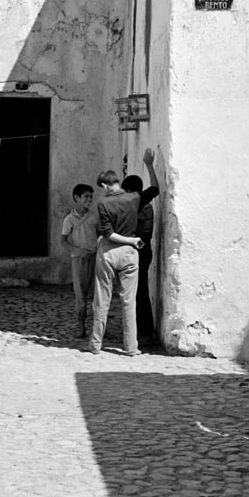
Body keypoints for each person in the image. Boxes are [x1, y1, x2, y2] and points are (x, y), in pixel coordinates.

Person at [88, 169, 144, 356]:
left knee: (102, 299)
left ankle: (96, 345)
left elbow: (107, 233)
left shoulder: (103, 203)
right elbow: (155, 189)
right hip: (129, 254)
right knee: (129, 301)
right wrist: (149, 166)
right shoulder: (135, 198)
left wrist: (126, 240)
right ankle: (131, 347)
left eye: (101, 188)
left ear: (105, 185)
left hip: (108, 252)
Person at [122, 148, 160, 348]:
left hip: (137, 251)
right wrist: (149, 165)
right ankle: (147, 333)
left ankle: (142, 334)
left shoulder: (135, 204)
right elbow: (155, 188)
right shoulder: (144, 202)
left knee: (137, 294)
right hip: (146, 250)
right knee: (141, 292)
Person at [61, 184, 99, 338]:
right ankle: (81, 326)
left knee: (98, 293)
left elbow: (102, 234)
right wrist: (77, 251)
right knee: (80, 295)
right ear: (77, 198)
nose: (89, 199)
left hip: (94, 258)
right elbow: (63, 241)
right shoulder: (69, 219)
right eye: (86, 197)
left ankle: (99, 328)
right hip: (78, 260)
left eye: (91, 196)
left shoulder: (95, 216)